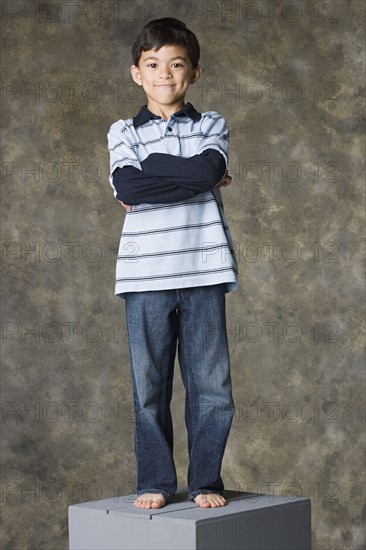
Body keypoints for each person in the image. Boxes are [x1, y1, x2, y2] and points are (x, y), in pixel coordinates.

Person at [107, 17, 238, 510]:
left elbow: (209, 167)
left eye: (176, 64)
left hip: (204, 274)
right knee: (149, 388)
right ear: (137, 73)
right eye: (153, 64)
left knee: (212, 388)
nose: (165, 73)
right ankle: (156, 482)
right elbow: (128, 186)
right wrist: (198, 178)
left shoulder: (211, 124)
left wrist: (171, 170)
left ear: (194, 73)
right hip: (145, 278)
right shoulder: (122, 130)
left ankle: (206, 481)